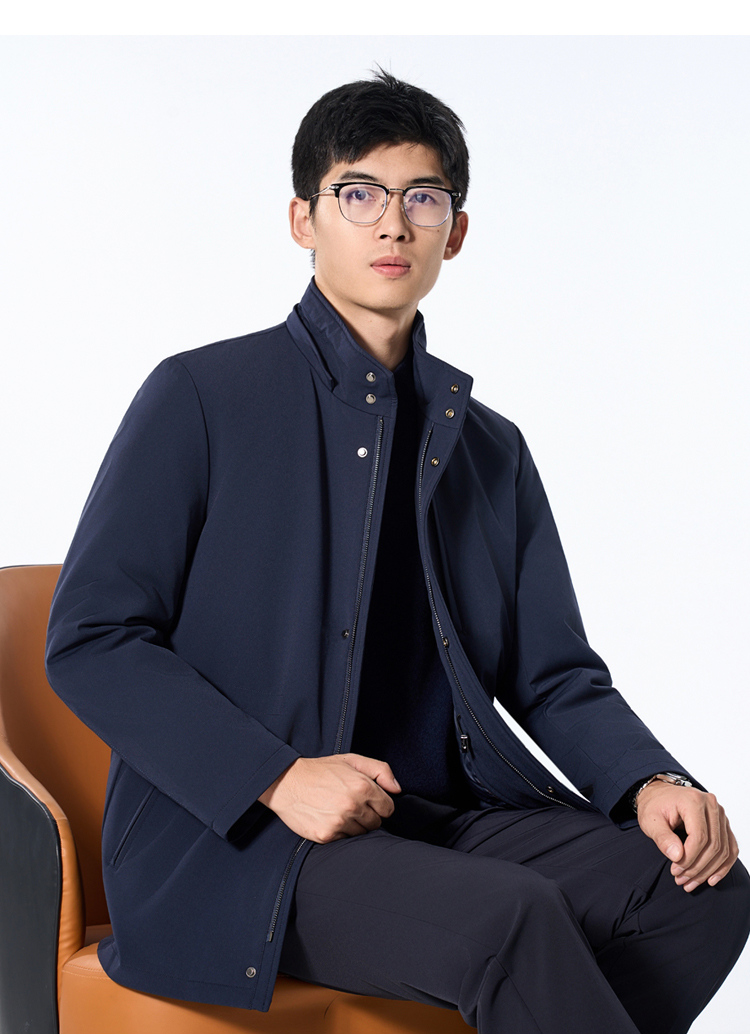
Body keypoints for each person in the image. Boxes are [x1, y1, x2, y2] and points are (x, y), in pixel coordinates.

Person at [46, 70, 749, 1034]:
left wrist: (649, 779)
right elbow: (92, 640)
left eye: (422, 198)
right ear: (303, 219)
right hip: (244, 841)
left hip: (435, 822)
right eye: (359, 193)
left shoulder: (489, 449)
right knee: (510, 920)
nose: (392, 224)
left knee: (698, 887)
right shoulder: (201, 396)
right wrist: (278, 776)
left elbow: (553, 674)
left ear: (455, 232)